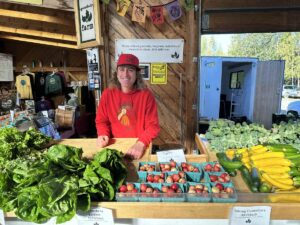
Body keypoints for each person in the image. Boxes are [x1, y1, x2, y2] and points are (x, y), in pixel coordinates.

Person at [95, 53, 160, 159]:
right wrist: (103, 134)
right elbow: (102, 121)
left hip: (139, 147)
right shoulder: (107, 94)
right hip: (114, 147)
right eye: (121, 69)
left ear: (136, 74)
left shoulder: (146, 95)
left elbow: (153, 126)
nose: (125, 74)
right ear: (117, 73)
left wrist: (141, 143)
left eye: (130, 70)